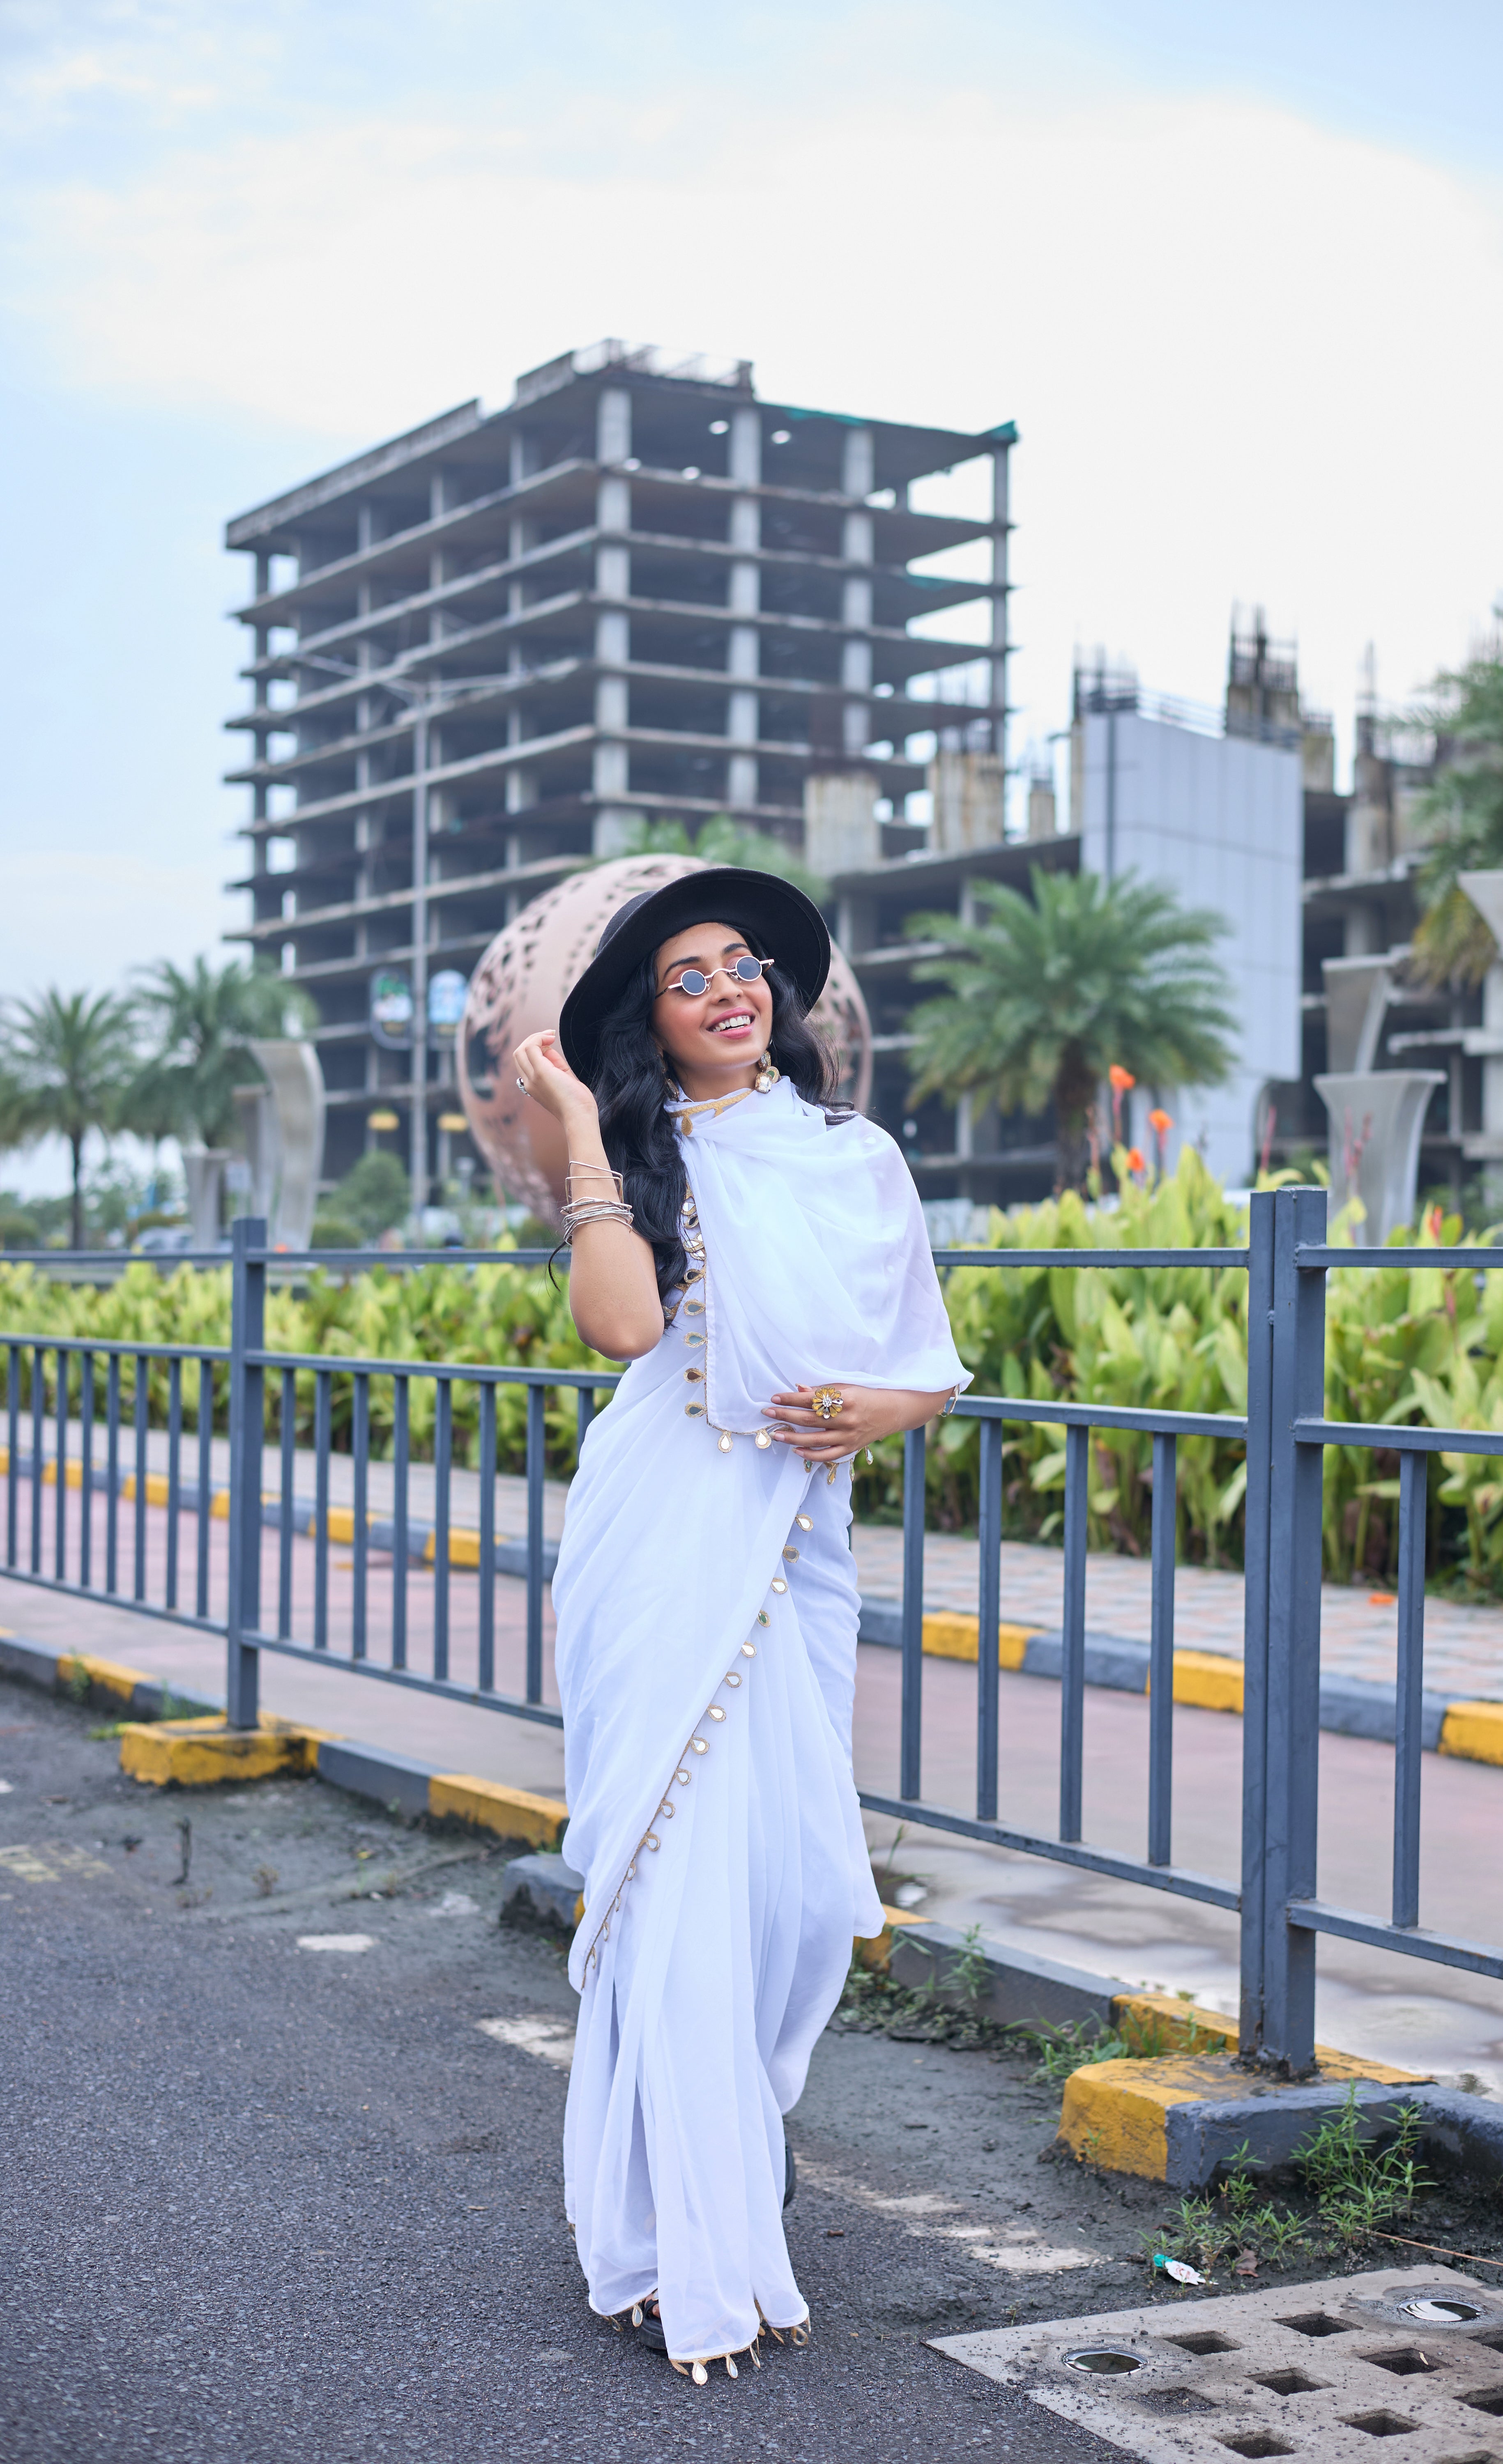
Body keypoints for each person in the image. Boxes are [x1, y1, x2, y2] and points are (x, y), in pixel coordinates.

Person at [511, 867, 967, 2382]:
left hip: (794, 1545)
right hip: (664, 1537)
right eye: (686, 976)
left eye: (743, 964)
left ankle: (728, 2141)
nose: (727, 987)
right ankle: (673, 2236)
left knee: (778, 1898)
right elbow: (627, 1332)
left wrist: (871, 1413)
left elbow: (924, 1369)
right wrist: (581, 1135)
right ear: (651, 1020)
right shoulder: (644, 1155)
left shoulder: (856, 1157)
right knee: (681, 1879)